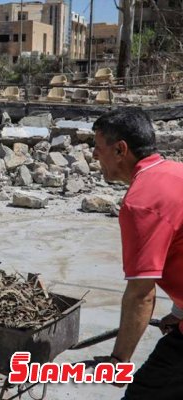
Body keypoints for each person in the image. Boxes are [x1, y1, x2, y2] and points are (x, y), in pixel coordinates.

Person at [92, 109, 183, 399]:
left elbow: (141, 294)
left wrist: (119, 360)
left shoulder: (141, 203)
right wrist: (179, 312)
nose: (95, 156)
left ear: (121, 150)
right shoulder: (176, 172)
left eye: (98, 148)